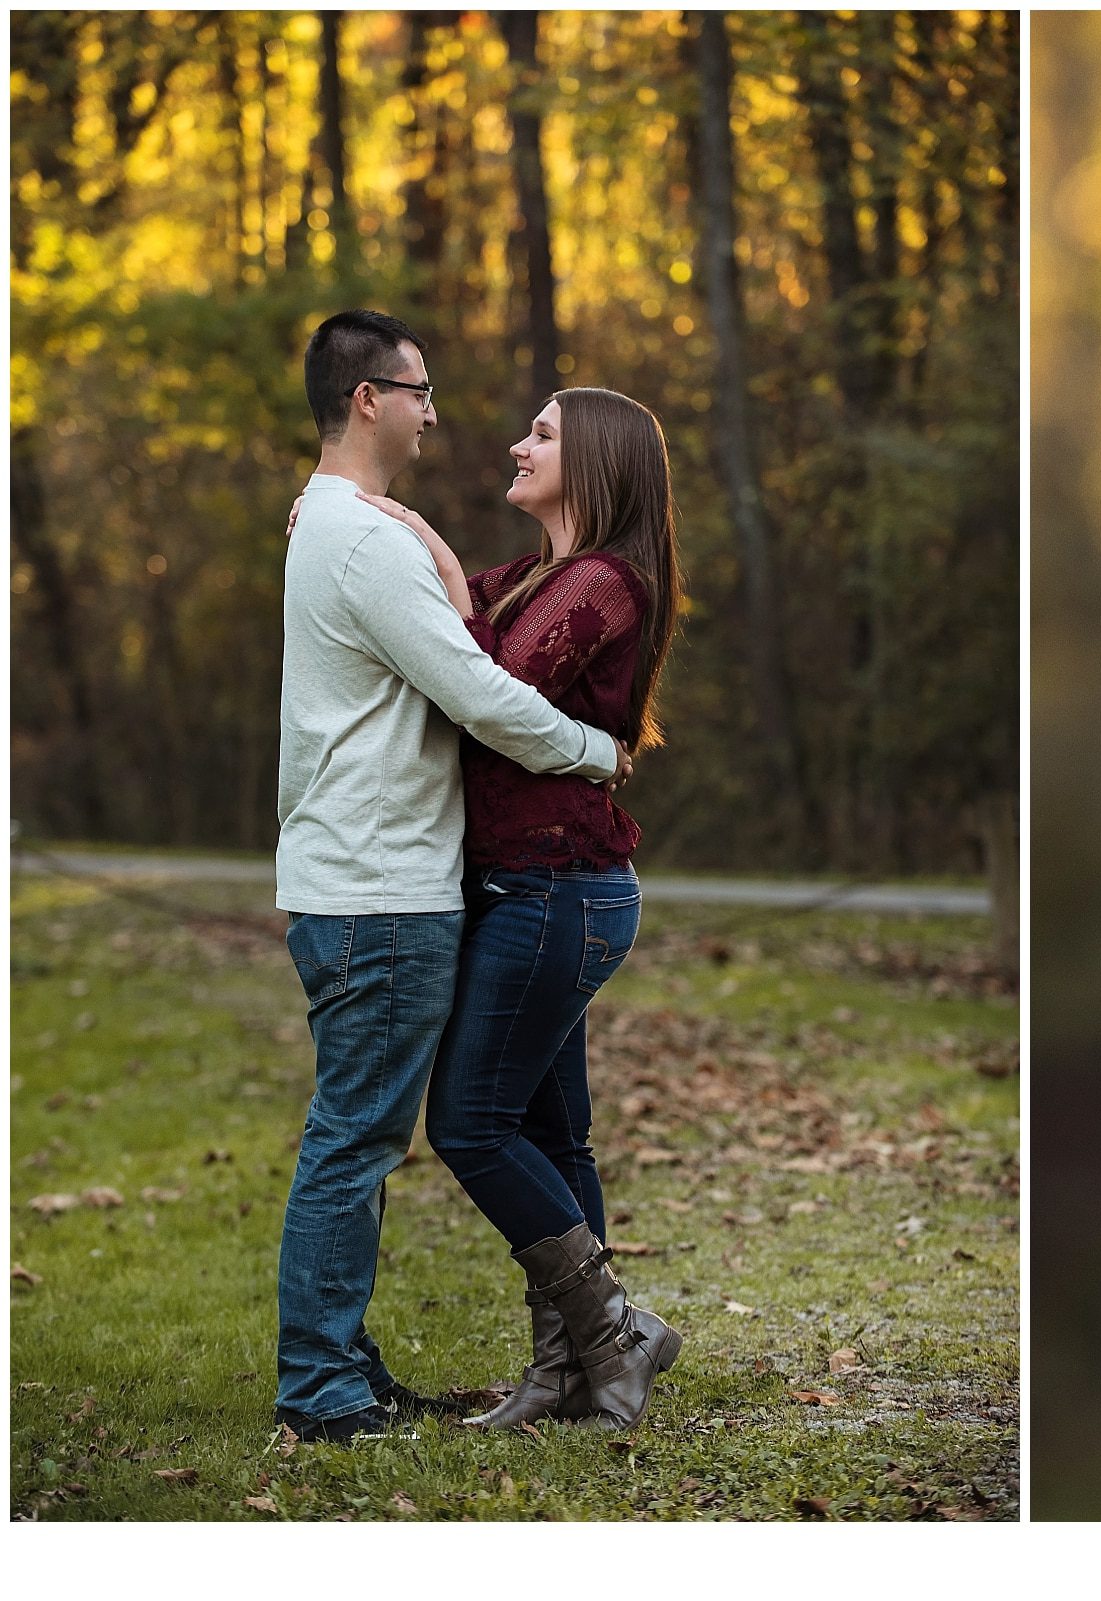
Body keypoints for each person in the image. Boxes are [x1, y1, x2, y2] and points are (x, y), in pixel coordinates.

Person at [276, 311, 629, 1444]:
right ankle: (321, 1383)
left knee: (369, 1132)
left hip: (374, 877)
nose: (437, 411)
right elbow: (478, 689)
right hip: (379, 887)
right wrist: (595, 751)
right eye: (420, 390)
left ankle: (346, 1362)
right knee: (358, 1137)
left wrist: (427, 540)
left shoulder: (339, 526)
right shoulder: (360, 539)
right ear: (370, 398)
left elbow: (461, 634)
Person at [357, 386, 685, 1430]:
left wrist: (428, 559)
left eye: (542, 433)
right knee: (554, 1131)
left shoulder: (603, 582)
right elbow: (449, 602)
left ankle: (615, 1327)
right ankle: (573, 1373)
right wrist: (377, 520)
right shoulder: (545, 573)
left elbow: (483, 683)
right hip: (539, 885)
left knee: (470, 1120)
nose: (517, 442)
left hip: (555, 885)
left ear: (593, 460)